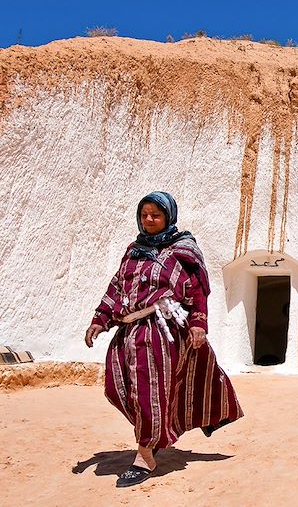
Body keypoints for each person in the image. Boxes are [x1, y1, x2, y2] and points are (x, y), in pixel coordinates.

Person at [85, 191, 243, 488]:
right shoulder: (134, 250)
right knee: (118, 388)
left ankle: (145, 455)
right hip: (127, 333)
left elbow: (197, 292)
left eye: (156, 215)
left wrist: (199, 325)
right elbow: (118, 286)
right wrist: (99, 319)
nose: (149, 220)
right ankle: (155, 432)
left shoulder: (183, 251)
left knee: (148, 392)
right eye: (145, 214)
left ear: (168, 217)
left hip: (162, 332)